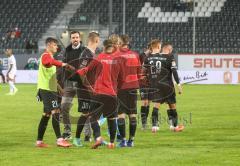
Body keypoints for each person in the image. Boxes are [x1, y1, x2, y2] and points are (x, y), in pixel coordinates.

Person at [76, 39, 123, 149]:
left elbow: (85, 70)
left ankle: (98, 138)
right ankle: (111, 143)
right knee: (112, 118)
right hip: (112, 94)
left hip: (99, 93)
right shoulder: (118, 59)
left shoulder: (99, 57)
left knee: (92, 116)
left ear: (104, 46)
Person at [35, 37, 74, 147]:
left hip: (50, 89)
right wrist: (63, 64)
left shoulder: (51, 57)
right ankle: (59, 140)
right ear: (49, 45)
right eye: (55, 45)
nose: (57, 46)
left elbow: (52, 78)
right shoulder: (45, 56)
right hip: (46, 90)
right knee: (56, 111)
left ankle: (39, 141)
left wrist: (60, 90)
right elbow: (47, 62)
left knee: (46, 115)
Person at [144, 40, 184, 133]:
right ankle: (174, 126)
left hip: (155, 85)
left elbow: (145, 72)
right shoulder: (170, 57)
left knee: (156, 106)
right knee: (172, 105)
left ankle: (154, 126)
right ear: (169, 49)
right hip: (168, 86)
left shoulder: (151, 57)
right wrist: (178, 84)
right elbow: (174, 71)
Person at [61, 31, 91, 140]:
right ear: (70, 39)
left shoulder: (85, 51)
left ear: (80, 38)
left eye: (77, 37)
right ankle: (67, 131)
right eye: (73, 37)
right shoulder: (66, 51)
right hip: (69, 83)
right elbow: (62, 66)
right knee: (64, 106)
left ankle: (87, 134)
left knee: (85, 109)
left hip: (81, 84)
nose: (75, 39)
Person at [72, 31, 101, 147]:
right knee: (86, 114)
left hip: (92, 88)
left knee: (95, 112)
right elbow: (80, 73)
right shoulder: (86, 54)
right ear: (96, 41)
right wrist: (89, 87)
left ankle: (97, 138)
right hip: (84, 89)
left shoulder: (93, 54)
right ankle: (77, 138)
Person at [117, 35, 142, 147]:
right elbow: (139, 73)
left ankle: (123, 140)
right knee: (132, 114)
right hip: (133, 87)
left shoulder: (117, 55)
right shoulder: (135, 55)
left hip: (121, 88)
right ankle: (131, 141)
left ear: (121, 42)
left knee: (121, 114)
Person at [139, 43, 152, 130]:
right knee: (144, 102)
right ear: (149, 48)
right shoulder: (141, 56)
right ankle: (143, 124)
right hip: (143, 83)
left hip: (151, 83)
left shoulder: (153, 57)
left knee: (149, 103)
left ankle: (145, 122)